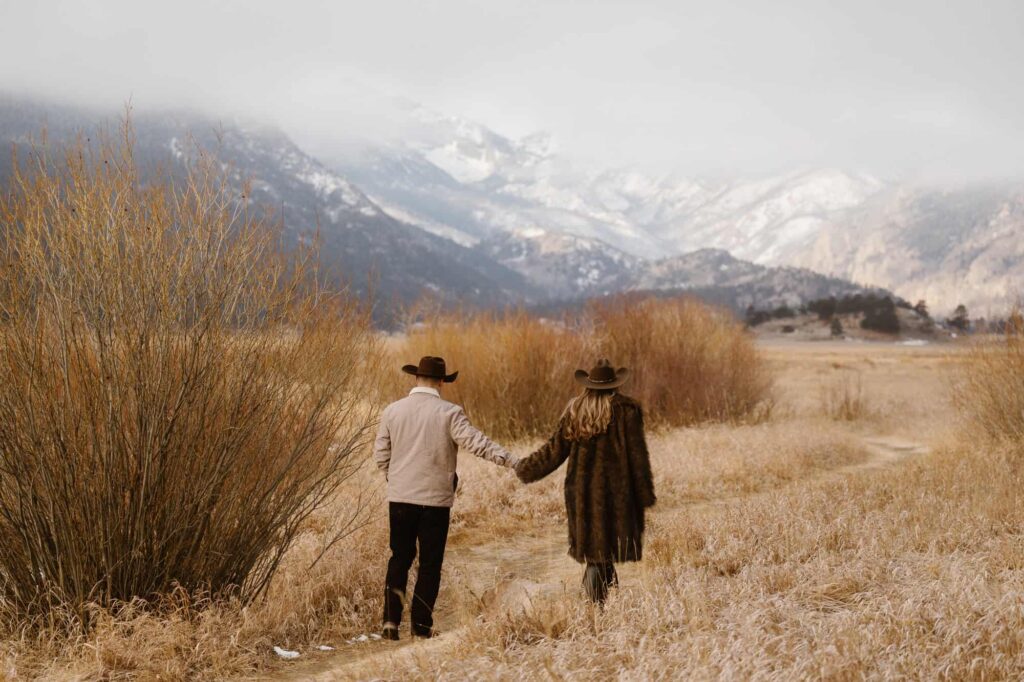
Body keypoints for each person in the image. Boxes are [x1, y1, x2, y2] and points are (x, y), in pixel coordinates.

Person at [374, 356, 518, 640]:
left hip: (400, 499)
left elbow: (381, 455)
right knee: (429, 564)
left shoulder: (393, 411)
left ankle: (390, 624)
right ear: (441, 382)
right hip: (435, 502)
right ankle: (420, 626)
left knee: (399, 559)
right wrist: (512, 460)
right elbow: (478, 443)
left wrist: (397, 479)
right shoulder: (449, 413)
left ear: (416, 378)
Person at [514, 359, 655, 603]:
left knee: (598, 552)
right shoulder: (627, 411)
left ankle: (605, 606)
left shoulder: (575, 412)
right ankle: (594, 609)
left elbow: (553, 451)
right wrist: (643, 495)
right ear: (615, 386)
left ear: (588, 386)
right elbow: (637, 456)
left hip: (583, 496)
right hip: (618, 496)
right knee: (602, 554)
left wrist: (525, 468)